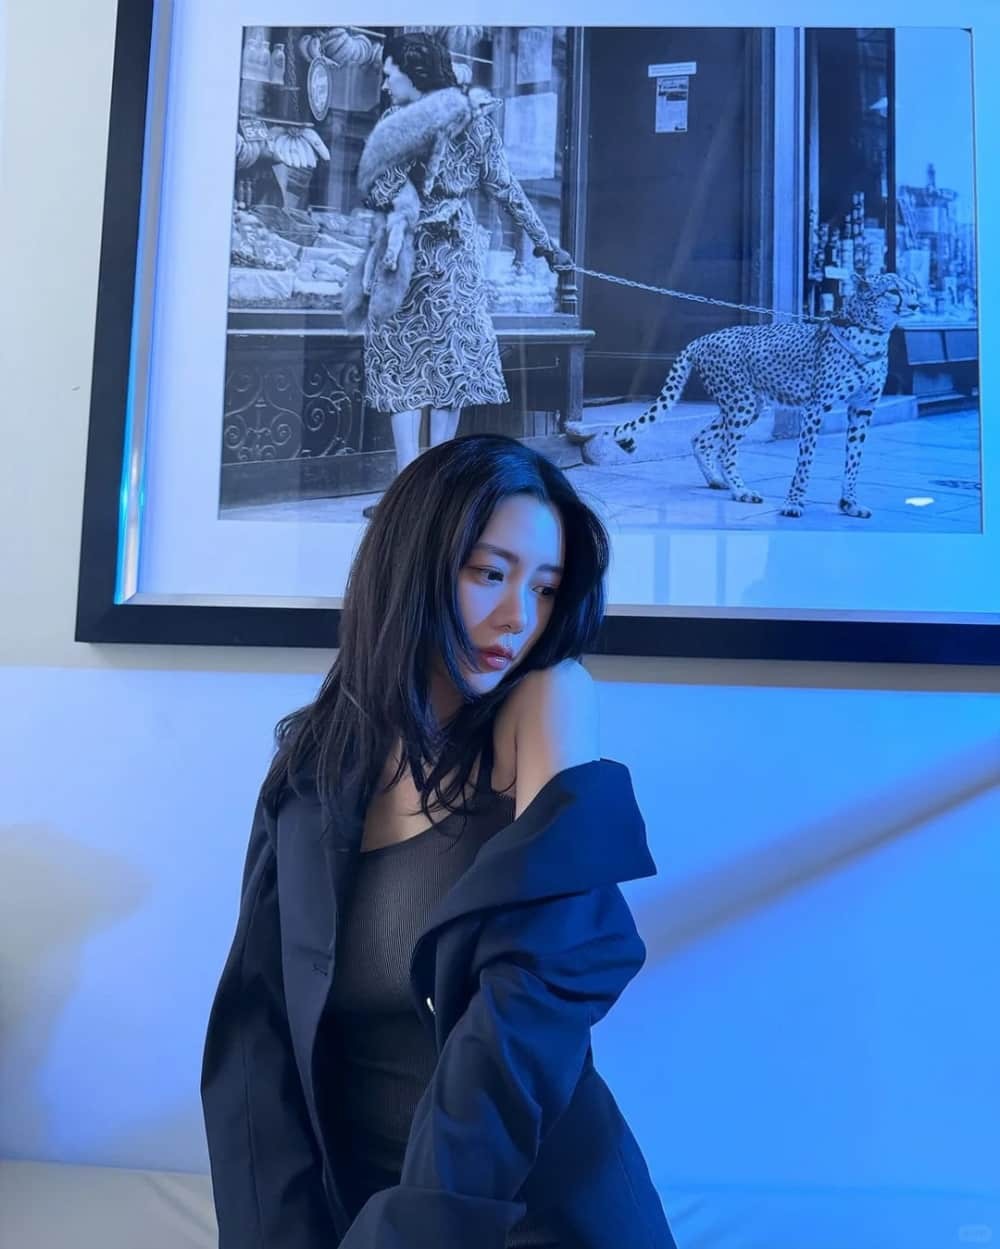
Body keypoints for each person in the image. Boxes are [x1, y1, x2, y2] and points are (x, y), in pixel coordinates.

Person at [201, 434, 676, 1249]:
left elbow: (531, 1000)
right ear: (412, 564)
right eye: (490, 573)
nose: (519, 617)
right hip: (361, 1214)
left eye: (545, 587)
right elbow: (256, 1030)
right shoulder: (311, 767)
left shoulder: (549, 703)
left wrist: (409, 1234)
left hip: (534, 1218)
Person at [351, 33, 574, 519]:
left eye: (389, 74)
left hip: (406, 258)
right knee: (446, 370)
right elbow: (507, 191)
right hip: (451, 257)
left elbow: (378, 193)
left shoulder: (396, 123)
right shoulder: (476, 125)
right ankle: (431, 488)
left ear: (414, 73)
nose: (385, 83)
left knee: (404, 369)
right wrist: (546, 245)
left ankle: (408, 489)